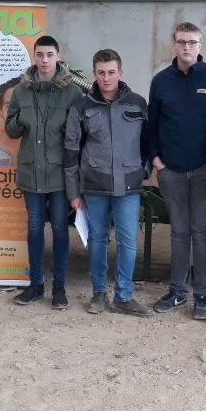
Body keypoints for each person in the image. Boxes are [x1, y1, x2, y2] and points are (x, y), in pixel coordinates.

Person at [147, 22, 206, 319]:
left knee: (202, 232)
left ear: (200, 46)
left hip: (205, 168)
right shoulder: (161, 81)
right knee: (179, 232)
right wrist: (157, 161)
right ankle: (178, 291)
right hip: (171, 171)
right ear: (174, 45)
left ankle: (203, 296)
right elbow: (152, 126)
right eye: (181, 42)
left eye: (192, 42)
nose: (186, 47)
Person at [64, 49, 153, 317]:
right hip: (95, 186)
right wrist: (73, 191)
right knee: (98, 238)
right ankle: (99, 293)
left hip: (128, 185)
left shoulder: (137, 103)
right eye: (101, 72)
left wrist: (143, 171)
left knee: (128, 242)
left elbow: (149, 143)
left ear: (120, 72)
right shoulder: (82, 107)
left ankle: (124, 297)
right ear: (94, 74)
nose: (106, 78)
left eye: (111, 72)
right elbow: (71, 151)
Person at [5, 35, 83, 308]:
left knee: (61, 229)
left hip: (59, 174)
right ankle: (35, 285)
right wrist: (19, 119)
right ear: (33, 56)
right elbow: (10, 130)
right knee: (35, 228)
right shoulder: (21, 91)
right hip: (30, 172)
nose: (44, 60)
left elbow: (78, 135)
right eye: (40, 54)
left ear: (58, 56)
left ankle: (59, 287)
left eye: (49, 54)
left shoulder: (73, 92)